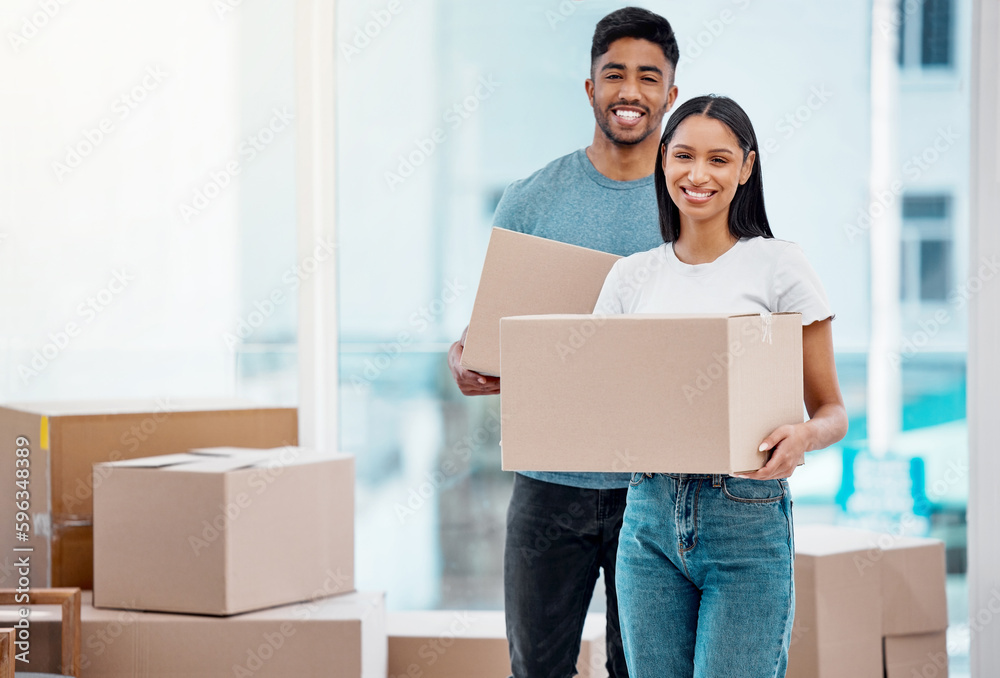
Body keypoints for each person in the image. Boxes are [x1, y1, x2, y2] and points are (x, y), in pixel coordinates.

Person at [447, 7, 679, 677]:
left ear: (670, 91)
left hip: (655, 486)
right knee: (537, 669)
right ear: (589, 88)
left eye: (647, 77)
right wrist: (465, 360)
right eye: (614, 75)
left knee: (640, 669)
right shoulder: (530, 200)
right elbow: (487, 333)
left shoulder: (691, 198)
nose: (629, 92)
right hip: (549, 484)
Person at [593, 94, 849, 678]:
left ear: (746, 168)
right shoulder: (630, 277)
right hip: (647, 518)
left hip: (745, 516)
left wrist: (803, 438)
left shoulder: (781, 267)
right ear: (663, 161)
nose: (698, 175)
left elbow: (832, 410)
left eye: (719, 159)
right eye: (683, 156)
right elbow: (601, 399)